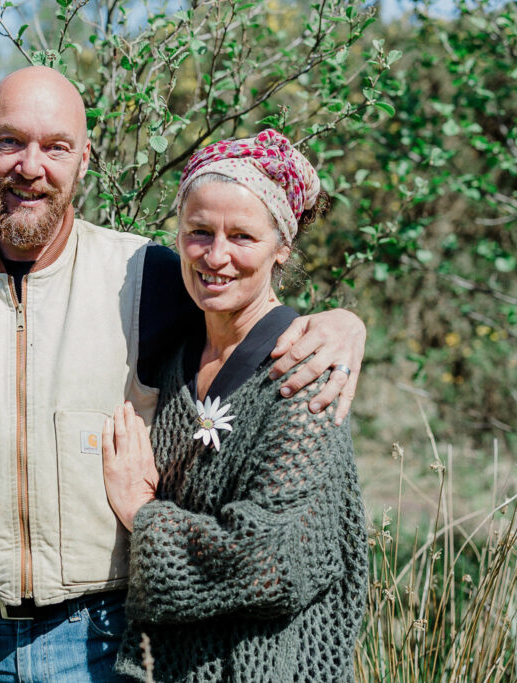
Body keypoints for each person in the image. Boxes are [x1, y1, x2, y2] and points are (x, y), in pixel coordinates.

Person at [0, 66, 366, 683]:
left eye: (56, 147)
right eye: (10, 142)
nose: (30, 166)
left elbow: (244, 303)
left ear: (84, 160)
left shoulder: (146, 276)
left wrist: (343, 325)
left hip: (103, 644)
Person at [101, 130, 367, 682]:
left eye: (242, 236)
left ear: (282, 248)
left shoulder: (304, 380)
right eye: (199, 232)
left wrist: (142, 515)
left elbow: (270, 562)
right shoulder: (174, 359)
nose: (216, 256)